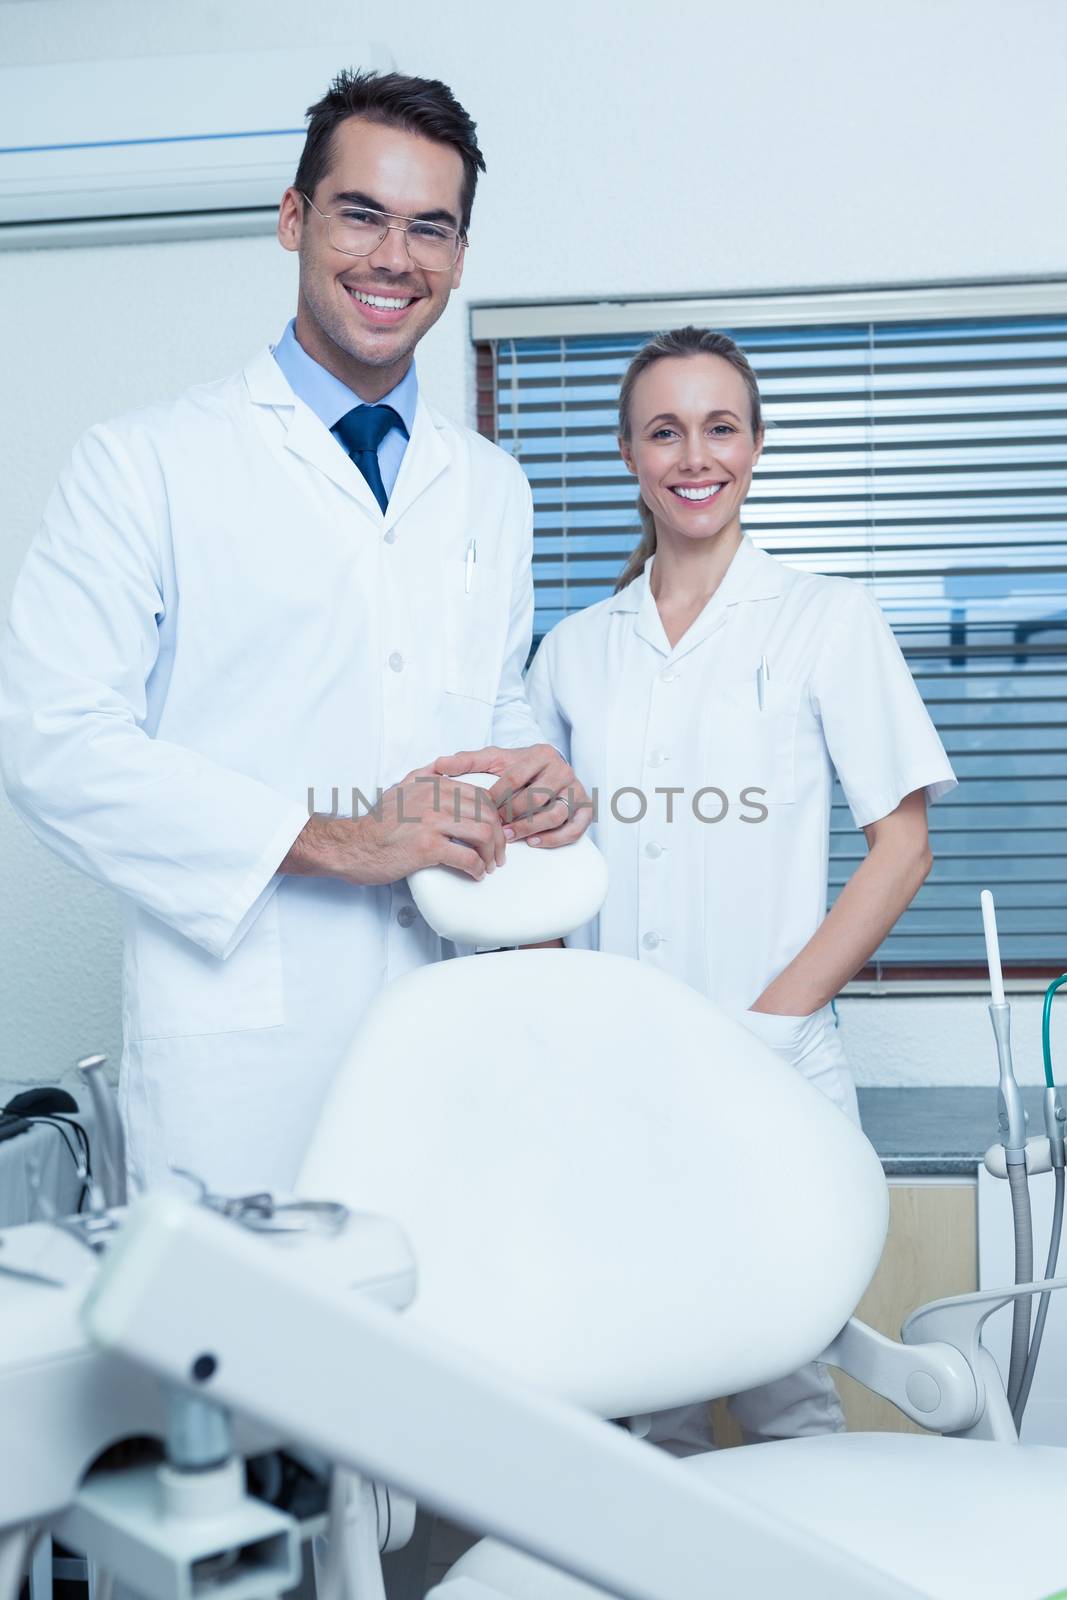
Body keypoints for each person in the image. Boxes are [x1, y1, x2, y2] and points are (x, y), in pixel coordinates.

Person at [0, 70, 586, 1198]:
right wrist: (339, 841)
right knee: (254, 1362)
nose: (392, 257)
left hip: (450, 1029)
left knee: (450, 1354)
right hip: (243, 1047)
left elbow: (482, 704)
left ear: (459, 258)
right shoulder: (147, 463)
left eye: (429, 228)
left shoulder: (491, 488)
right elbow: (52, 741)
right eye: (361, 213)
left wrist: (529, 777)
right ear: (293, 219)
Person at [519, 326, 957, 1445]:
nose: (693, 454)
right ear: (627, 452)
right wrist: (580, 1020)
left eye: (719, 426)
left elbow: (899, 847)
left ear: (755, 446)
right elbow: (534, 868)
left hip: (775, 1070)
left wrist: (765, 1027)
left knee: (788, 1390)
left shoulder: (825, 619)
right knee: (635, 1396)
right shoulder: (573, 650)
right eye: (663, 430)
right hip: (620, 1080)